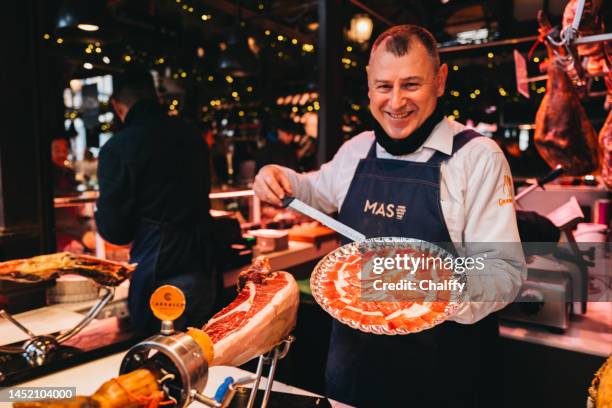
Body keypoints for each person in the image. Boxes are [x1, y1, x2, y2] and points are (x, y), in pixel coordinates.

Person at [253, 25, 525, 407]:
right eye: (384, 86)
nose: (396, 102)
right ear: (369, 86)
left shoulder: (477, 158)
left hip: (441, 378)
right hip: (352, 371)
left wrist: (419, 284)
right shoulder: (357, 150)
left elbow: (504, 274)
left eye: (411, 84)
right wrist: (278, 177)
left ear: (440, 80)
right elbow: (313, 189)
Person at [95, 69, 215, 335]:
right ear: (156, 97)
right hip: (204, 266)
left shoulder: (119, 148)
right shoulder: (192, 136)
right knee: (200, 358)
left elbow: (115, 230)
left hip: (158, 273)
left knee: (158, 363)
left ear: (118, 106)